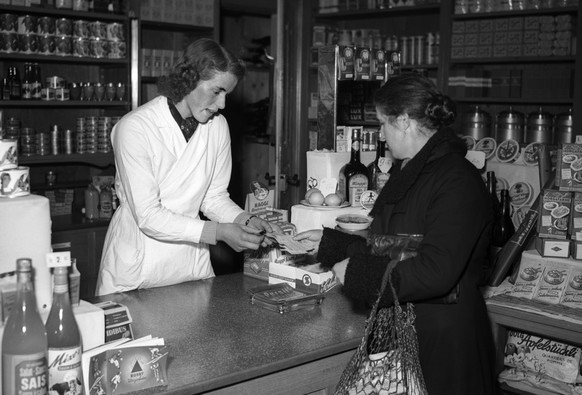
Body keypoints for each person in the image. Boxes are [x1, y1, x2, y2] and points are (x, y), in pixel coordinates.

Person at [295, 73, 496, 394]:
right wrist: (336, 244)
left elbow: (437, 271)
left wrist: (360, 273)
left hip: (443, 340)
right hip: (403, 328)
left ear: (403, 121)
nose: (382, 135)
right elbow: (396, 244)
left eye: (383, 124)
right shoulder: (411, 169)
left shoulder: (458, 180)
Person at [97, 38, 280, 296]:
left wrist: (245, 220)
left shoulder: (217, 126)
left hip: (190, 265)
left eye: (227, 94)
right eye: (217, 91)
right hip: (138, 266)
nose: (222, 104)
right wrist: (218, 232)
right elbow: (148, 215)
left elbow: (213, 197)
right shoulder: (135, 128)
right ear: (189, 78)